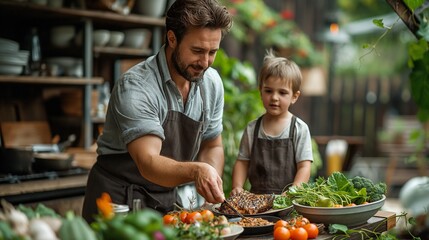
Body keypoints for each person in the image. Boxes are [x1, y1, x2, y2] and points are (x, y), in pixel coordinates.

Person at [82, 0, 233, 222]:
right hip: (115, 204)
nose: (205, 62)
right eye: (197, 50)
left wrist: (210, 188)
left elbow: (212, 144)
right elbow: (149, 162)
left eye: (213, 52)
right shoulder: (136, 86)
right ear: (172, 38)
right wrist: (196, 171)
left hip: (165, 201)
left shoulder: (211, 84)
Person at [231, 50, 313, 195]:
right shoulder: (252, 129)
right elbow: (242, 162)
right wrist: (237, 187)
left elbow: (304, 167)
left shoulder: (299, 129)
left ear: (294, 96)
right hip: (255, 203)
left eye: (282, 93)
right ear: (260, 91)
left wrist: (293, 191)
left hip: (287, 203)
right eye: (268, 91)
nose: (274, 97)